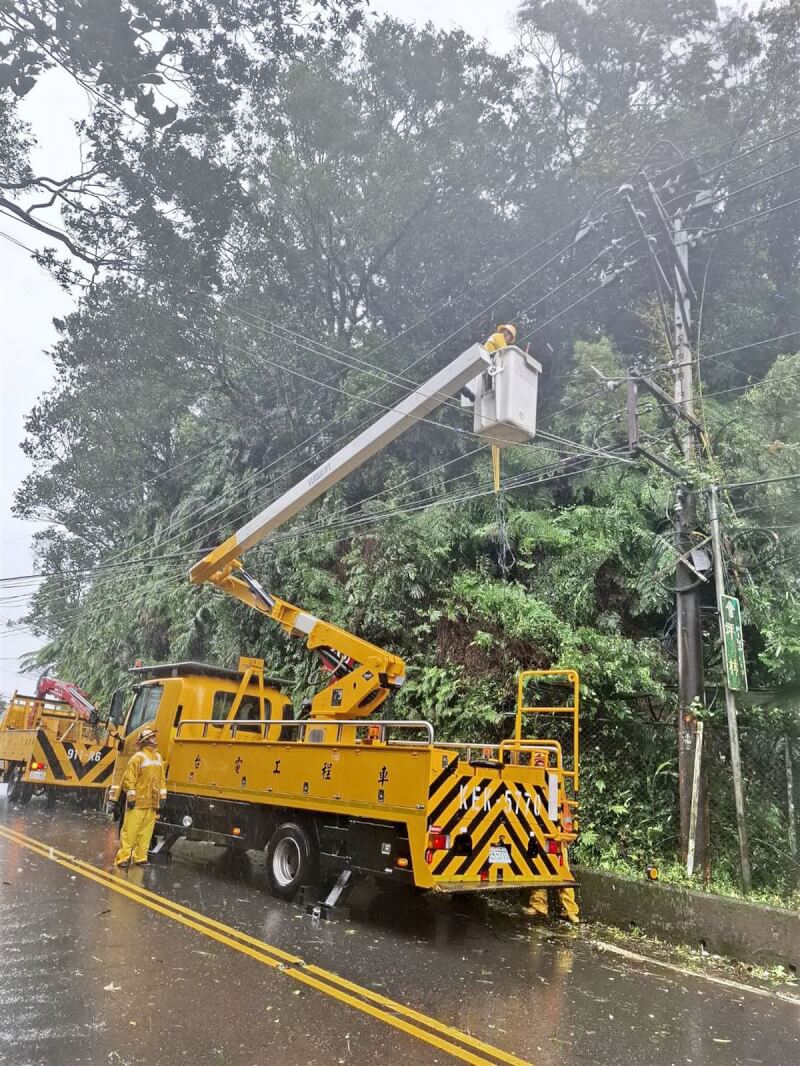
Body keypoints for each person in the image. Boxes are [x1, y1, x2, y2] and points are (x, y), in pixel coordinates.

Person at [114, 728, 166, 867]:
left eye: (155, 736)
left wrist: (162, 796)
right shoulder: (138, 758)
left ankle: (140, 858)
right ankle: (123, 858)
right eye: (152, 737)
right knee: (129, 831)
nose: (155, 738)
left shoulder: (158, 758)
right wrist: (131, 798)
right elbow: (129, 779)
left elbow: (161, 780)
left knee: (145, 834)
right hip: (137, 803)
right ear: (146, 741)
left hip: (151, 803)